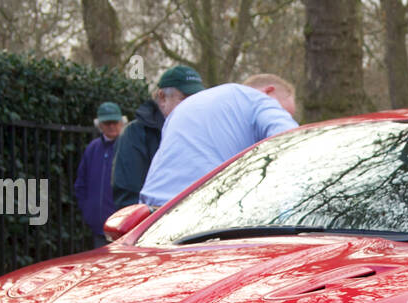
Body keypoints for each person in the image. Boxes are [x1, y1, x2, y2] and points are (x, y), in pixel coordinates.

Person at [138, 73, 299, 207]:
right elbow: (292, 143)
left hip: (150, 214)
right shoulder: (259, 100)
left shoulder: (187, 107)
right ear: (269, 92)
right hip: (200, 209)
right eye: (284, 111)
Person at [111, 65, 205, 208]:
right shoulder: (135, 134)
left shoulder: (201, 131)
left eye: (197, 98)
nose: (193, 104)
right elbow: (128, 198)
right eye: (185, 98)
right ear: (162, 98)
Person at [73, 102, 125, 248]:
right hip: (98, 226)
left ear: (121, 123)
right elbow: (81, 183)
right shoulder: (92, 148)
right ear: (100, 125)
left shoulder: (127, 147)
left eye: (115, 122)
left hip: (123, 226)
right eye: (107, 123)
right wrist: (88, 211)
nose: (111, 126)